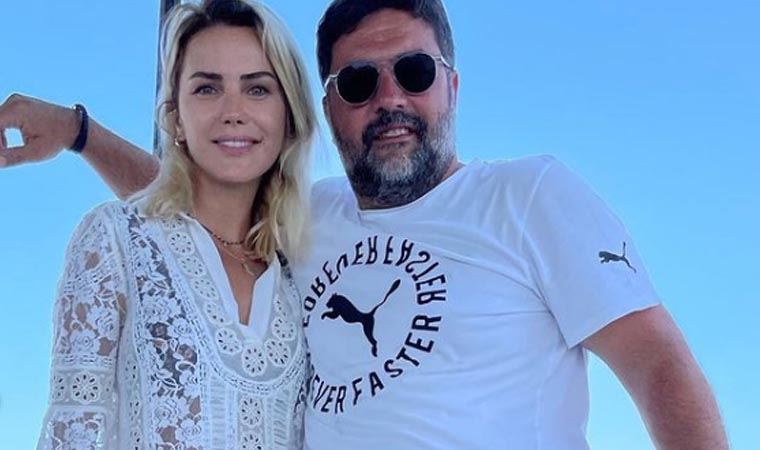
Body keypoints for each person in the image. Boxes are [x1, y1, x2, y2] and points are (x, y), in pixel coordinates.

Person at [0, 0, 729, 449]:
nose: (389, 99)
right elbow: (191, 208)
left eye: (414, 72)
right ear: (327, 106)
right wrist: (80, 134)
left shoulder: (528, 196)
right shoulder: (307, 218)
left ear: (452, 84)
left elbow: (657, 366)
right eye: (357, 82)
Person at [25, 0, 316, 448]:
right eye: (207, 88)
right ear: (176, 119)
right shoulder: (117, 240)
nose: (233, 111)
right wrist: (77, 130)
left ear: (289, 117)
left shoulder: (305, 267)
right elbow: (74, 431)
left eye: (258, 89)